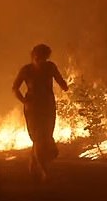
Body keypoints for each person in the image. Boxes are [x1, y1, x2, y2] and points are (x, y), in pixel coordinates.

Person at [12, 44, 68, 182]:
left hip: (48, 106)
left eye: (43, 57)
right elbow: (15, 88)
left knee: (46, 136)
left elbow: (62, 83)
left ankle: (33, 165)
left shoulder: (50, 67)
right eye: (37, 57)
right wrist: (24, 101)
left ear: (46, 57)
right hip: (33, 108)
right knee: (38, 138)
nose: (40, 60)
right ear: (33, 56)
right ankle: (44, 172)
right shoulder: (26, 70)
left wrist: (64, 85)